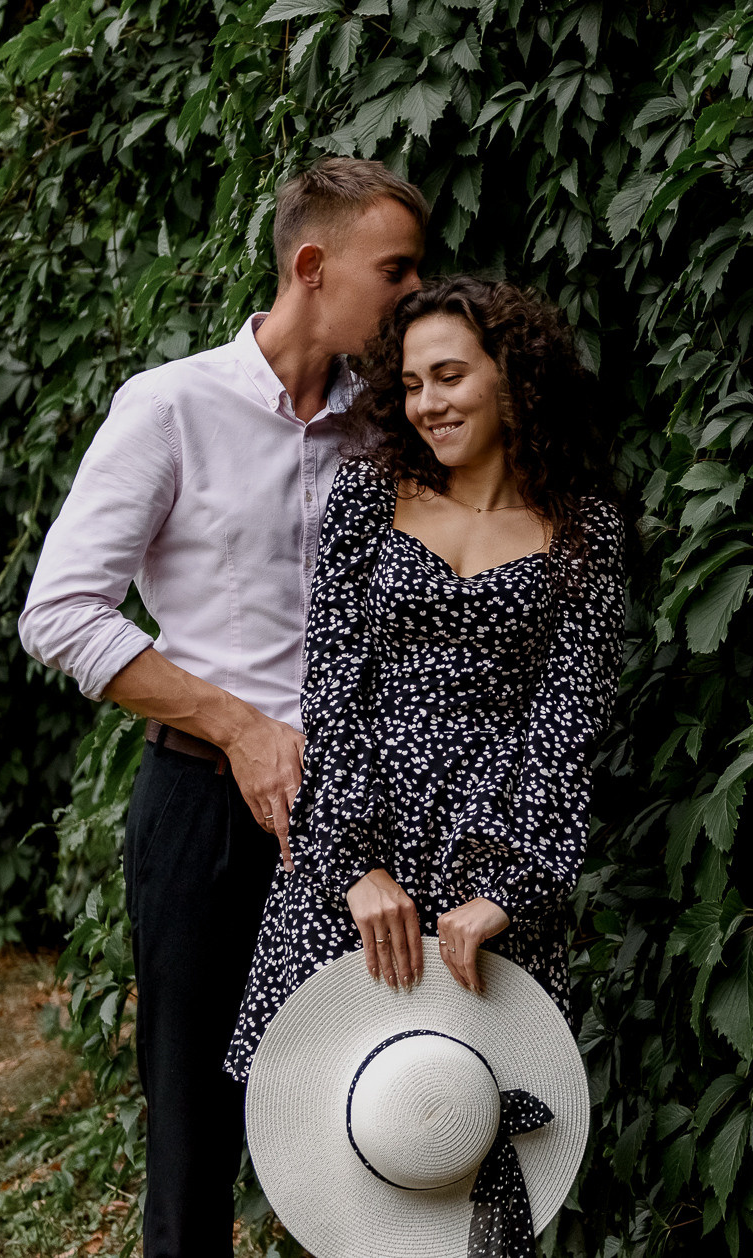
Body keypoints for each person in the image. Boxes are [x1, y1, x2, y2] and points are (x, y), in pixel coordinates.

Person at [18, 158, 428, 1258]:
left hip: (362, 826)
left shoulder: (393, 430)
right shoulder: (170, 406)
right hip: (200, 810)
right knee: (194, 1141)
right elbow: (59, 614)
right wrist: (240, 727)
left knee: (376, 1122)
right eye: (395, 270)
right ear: (313, 265)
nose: (413, 293)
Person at [224, 275, 626, 1085]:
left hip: (491, 847)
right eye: (410, 384)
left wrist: (513, 888)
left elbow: (569, 723)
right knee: (335, 1122)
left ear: (512, 375)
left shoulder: (585, 529)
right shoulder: (371, 495)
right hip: (358, 837)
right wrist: (351, 865)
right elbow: (333, 691)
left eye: (450, 376)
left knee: (468, 1125)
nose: (427, 404)